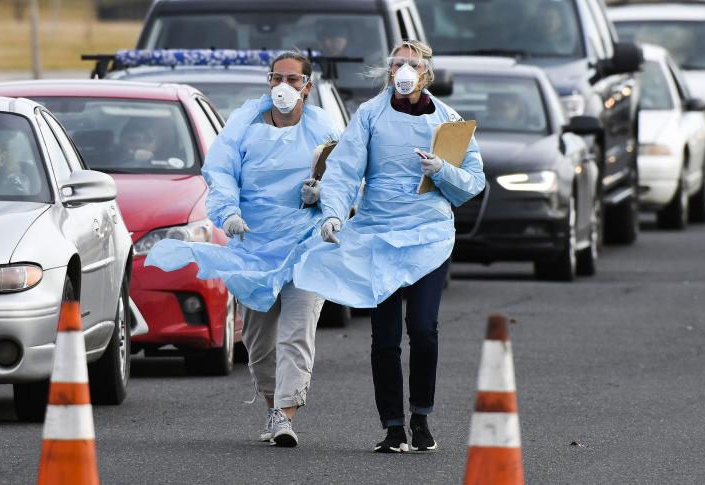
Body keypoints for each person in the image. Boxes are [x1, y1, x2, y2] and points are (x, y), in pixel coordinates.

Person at [295, 40, 485, 453]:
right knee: (384, 337)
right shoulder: (369, 116)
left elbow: (473, 180)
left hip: (428, 235)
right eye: (397, 63)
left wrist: (443, 170)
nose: (404, 70)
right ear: (389, 70)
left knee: (423, 328)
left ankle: (421, 418)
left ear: (425, 72)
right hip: (377, 234)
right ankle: (393, 427)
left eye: (412, 64)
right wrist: (333, 212)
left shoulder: (448, 122)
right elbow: (345, 169)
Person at [145, 52, 341, 447]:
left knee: (296, 332)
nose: (282, 87)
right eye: (276, 78)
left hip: (304, 247)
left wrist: (325, 201)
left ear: (308, 84)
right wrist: (228, 214)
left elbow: (343, 175)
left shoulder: (323, 127)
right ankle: (273, 406)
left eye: (292, 79)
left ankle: (286, 414)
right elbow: (221, 173)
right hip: (253, 247)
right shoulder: (244, 126)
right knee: (259, 338)